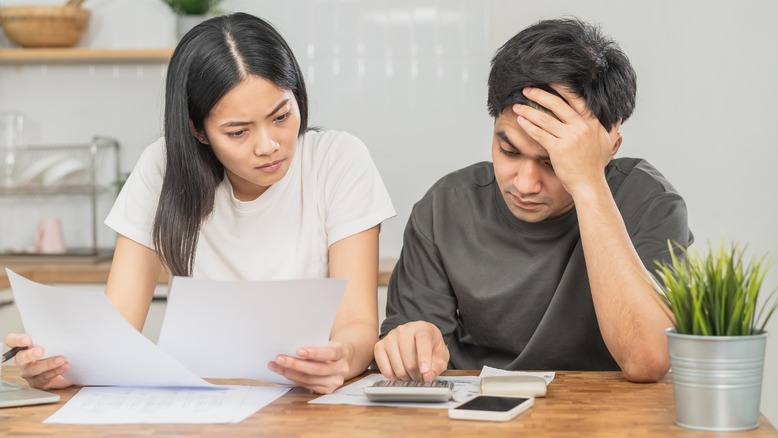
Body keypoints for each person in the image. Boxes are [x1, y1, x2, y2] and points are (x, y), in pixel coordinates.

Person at [5, 12, 395, 394]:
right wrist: (65, 367)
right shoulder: (162, 167)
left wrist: (341, 358)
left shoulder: (337, 160)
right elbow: (117, 326)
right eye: (238, 132)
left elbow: (358, 323)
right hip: (201, 401)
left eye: (281, 116)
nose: (268, 145)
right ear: (198, 130)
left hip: (306, 401)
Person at [374, 18, 693, 383]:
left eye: (553, 162)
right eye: (508, 151)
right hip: (476, 403)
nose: (525, 184)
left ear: (609, 148)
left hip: (598, 409)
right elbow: (412, 359)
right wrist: (412, 345)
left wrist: (588, 184)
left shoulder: (648, 202)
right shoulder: (444, 208)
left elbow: (648, 360)